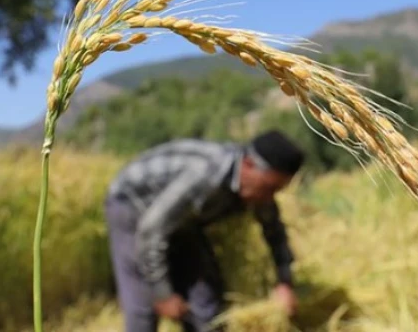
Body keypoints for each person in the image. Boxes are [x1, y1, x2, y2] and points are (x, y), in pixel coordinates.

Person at [103, 130, 305, 332]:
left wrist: (284, 282)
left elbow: (275, 234)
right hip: (133, 207)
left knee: (206, 304)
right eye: (269, 188)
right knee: (143, 307)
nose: (269, 197)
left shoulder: (261, 192)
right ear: (249, 164)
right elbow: (151, 232)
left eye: (277, 191)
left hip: (183, 220)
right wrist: (162, 294)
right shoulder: (205, 175)